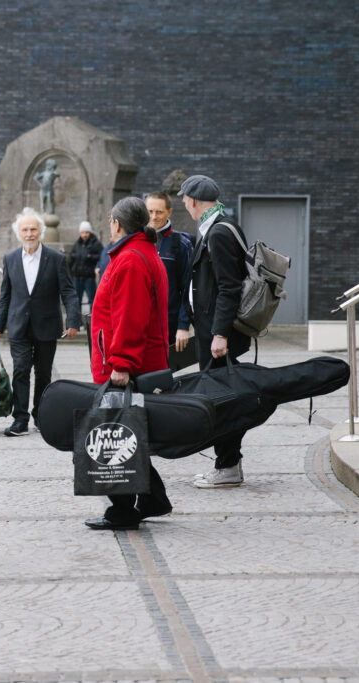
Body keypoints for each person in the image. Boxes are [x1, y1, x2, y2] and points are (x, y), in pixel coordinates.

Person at [83, 196, 172, 530]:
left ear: (117, 223)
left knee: (113, 433)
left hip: (124, 365)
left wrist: (120, 363)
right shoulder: (138, 253)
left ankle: (123, 510)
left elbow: (129, 317)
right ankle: (152, 499)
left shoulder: (131, 259)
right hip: (133, 361)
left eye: (110, 219)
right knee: (125, 431)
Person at [180, 174, 252, 489]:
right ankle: (228, 464)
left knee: (220, 400)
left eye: (184, 200)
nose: (184, 205)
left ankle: (227, 467)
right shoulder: (217, 226)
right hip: (211, 331)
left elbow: (229, 287)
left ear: (194, 201)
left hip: (217, 335)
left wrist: (220, 334)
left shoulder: (218, 232)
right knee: (221, 396)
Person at [0, 208, 82, 437]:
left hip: (47, 325)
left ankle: (40, 415)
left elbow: (68, 292)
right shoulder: (10, 259)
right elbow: (5, 295)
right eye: (25, 230)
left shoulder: (57, 259)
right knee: (21, 370)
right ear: (18, 233)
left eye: (33, 229)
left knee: (43, 373)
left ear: (40, 231)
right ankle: (20, 419)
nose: (29, 233)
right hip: (18, 325)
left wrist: (72, 320)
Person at [146, 191, 193, 352]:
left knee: (162, 374)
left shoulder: (181, 244)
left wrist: (183, 325)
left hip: (168, 325)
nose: (154, 217)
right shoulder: (137, 241)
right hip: (140, 324)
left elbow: (188, 288)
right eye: (150, 211)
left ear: (169, 212)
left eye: (159, 212)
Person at [69, 220, 103, 311]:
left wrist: (90, 257)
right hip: (77, 277)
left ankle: (92, 321)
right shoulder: (77, 244)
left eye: (86, 232)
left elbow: (101, 256)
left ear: (90, 232)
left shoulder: (96, 243)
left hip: (89, 277)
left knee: (92, 300)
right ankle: (78, 321)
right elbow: (72, 257)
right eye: (82, 232)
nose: (84, 235)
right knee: (76, 300)